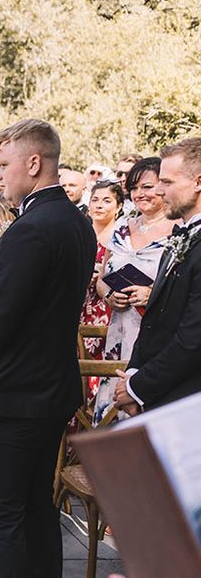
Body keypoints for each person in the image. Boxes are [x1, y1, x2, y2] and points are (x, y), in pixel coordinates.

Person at [0, 119, 96, 578]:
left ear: (33, 163)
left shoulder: (29, 229)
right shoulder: (76, 223)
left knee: (2, 518)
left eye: (2, 164)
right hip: (51, 393)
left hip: (11, 397)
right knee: (38, 509)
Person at [114, 137, 201, 414]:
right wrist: (133, 372)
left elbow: (193, 339)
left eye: (168, 182)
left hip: (187, 399)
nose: (160, 191)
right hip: (161, 393)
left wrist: (138, 388)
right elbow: (156, 319)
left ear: (198, 182)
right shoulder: (181, 237)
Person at [93, 158, 171, 424]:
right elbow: (102, 279)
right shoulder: (122, 227)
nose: (140, 194)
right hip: (119, 330)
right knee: (113, 414)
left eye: (147, 186)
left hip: (156, 333)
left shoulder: (179, 230)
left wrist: (152, 293)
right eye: (134, 187)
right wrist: (109, 296)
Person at [80, 180, 123, 366]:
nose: (99, 205)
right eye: (95, 199)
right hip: (79, 305)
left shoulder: (120, 238)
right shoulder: (80, 233)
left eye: (106, 200)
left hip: (106, 307)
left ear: (119, 206)